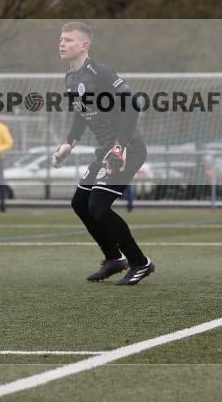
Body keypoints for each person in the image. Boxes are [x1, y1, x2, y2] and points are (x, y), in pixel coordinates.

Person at [52, 21, 154, 285]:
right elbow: (82, 113)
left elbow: (132, 105)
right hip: (106, 151)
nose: (62, 43)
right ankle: (113, 259)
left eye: (69, 40)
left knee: (98, 206)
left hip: (127, 150)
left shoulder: (100, 71)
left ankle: (140, 263)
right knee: (80, 204)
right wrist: (69, 142)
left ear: (84, 45)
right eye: (61, 39)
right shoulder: (70, 77)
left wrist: (119, 146)